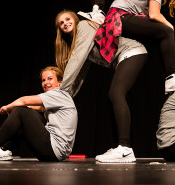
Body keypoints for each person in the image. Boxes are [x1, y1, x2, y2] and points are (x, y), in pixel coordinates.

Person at [55, 10, 147, 163]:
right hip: (127, 57)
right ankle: (120, 146)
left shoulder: (84, 27)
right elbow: (81, 72)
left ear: (75, 19)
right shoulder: (78, 40)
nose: (65, 23)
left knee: (116, 94)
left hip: (132, 51)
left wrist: (59, 94)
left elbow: (74, 63)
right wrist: (67, 96)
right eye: (61, 23)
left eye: (67, 19)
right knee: (112, 98)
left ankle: (125, 148)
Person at [94, 0, 175, 94]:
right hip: (120, 17)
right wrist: (170, 26)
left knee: (157, 39)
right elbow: (154, 14)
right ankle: (170, 77)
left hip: (119, 17)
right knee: (167, 31)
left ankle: (166, 80)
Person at [0, 66, 78, 162]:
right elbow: (37, 108)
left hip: (53, 150)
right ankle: (4, 151)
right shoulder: (59, 99)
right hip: (56, 153)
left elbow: (24, 101)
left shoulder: (59, 94)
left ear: (59, 82)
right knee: (25, 115)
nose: (46, 83)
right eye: (43, 80)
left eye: (50, 79)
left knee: (21, 111)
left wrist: (9, 107)